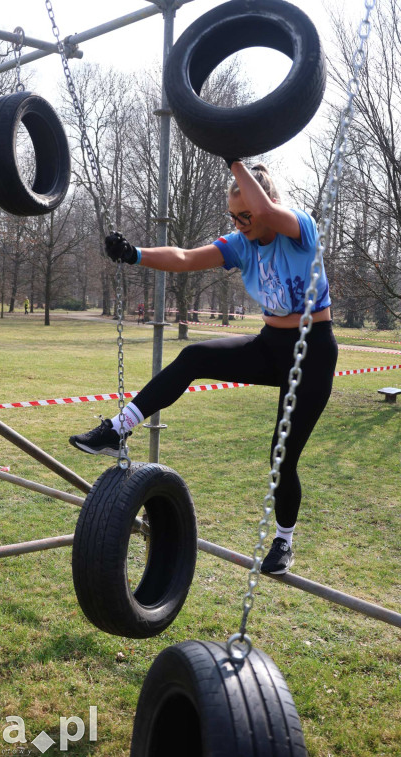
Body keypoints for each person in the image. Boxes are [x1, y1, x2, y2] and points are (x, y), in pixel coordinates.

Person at [69, 162, 338, 575]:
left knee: (282, 457)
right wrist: (134, 254)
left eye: (245, 216)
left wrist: (234, 159)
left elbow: (267, 213)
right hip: (270, 345)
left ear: (265, 204)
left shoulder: (300, 228)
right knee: (194, 357)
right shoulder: (241, 244)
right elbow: (184, 258)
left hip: (312, 351)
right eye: (233, 217)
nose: (239, 225)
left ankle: (284, 541)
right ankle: (117, 429)